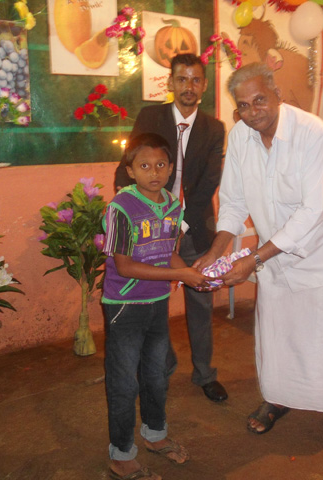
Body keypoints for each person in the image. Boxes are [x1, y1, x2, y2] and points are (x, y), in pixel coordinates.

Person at [195, 63, 323, 454]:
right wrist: (215, 252)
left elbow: (311, 211)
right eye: (243, 105)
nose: (253, 111)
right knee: (277, 330)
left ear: (277, 95)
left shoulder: (314, 133)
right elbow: (234, 202)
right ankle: (278, 398)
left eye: (260, 100)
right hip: (272, 250)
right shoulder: (240, 137)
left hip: (319, 248)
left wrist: (254, 259)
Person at [114, 53, 228, 403]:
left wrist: (179, 225)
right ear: (170, 83)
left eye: (195, 80)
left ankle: (205, 373)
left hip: (194, 226)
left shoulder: (214, 128)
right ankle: (162, 364)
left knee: (201, 300)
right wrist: (132, 213)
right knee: (151, 298)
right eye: (182, 79)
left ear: (204, 85)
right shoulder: (150, 117)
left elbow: (208, 183)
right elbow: (127, 166)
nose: (188, 86)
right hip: (149, 226)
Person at [103, 133, 211, 480]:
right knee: (124, 382)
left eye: (161, 165)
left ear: (171, 168)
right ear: (130, 170)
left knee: (156, 375)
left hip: (157, 303)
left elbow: (168, 252)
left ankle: (155, 434)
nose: (154, 172)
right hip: (125, 306)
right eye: (145, 166)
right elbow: (124, 266)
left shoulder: (173, 205)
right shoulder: (121, 207)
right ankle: (121, 454)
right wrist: (179, 274)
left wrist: (191, 273)